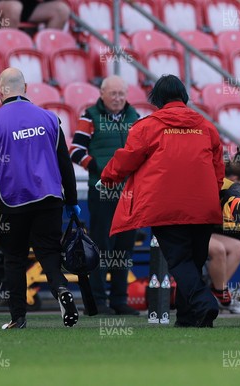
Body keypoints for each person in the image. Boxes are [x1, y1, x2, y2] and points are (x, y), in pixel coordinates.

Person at [100, 75, 224, 328]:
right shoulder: (206, 126)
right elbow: (218, 169)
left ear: (157, 98)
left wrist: (108, 177)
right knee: (195, 261)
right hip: (203, 206)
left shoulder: (147, 126)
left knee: (179, 262)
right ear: (184, 95)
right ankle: (190, 317)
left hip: (166, 207)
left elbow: (127, 158)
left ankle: (204, 304)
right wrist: (211, 193)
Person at [0, 67, 80, 329]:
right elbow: (64, 163)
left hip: (13, 202)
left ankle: (18, 318)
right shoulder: (50, 118)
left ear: (1, 91)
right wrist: (72, 200)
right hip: (50, 198)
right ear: (27, 88)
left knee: (14, 259)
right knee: (49, 254)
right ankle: (62, 290)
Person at [69, 75, 140, 316]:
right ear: (102, 94)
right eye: (113, 94)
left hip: (129, 194)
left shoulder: (135, 118)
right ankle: (98, 302)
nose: (118, 98)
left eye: (121, 94)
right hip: (101, 192)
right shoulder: (89, 116)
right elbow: (75, 151)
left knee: (124, 247)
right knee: (100, 247)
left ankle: (119, 299)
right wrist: (100, 168)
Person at [207, 233, 240, 314]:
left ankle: (216, 293)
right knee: (218, 249)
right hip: (182, 232)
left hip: (201, 230)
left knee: (238, 247)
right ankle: (221, 296)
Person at [0, 0, 70, 30]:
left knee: (61, 11)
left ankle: (47, 59)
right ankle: (6, 52)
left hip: (26, 7)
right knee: (14, 8)